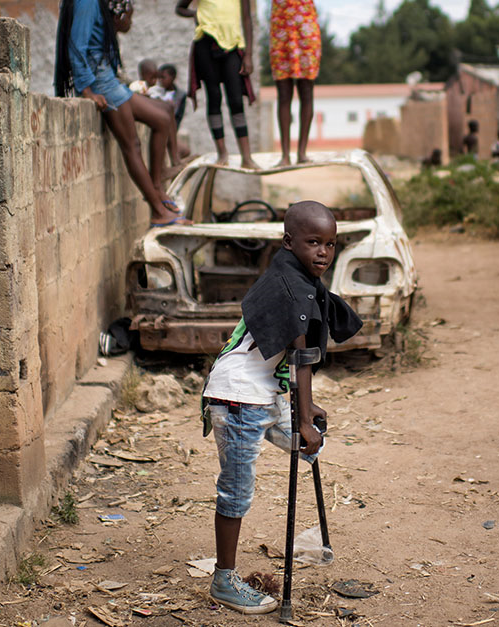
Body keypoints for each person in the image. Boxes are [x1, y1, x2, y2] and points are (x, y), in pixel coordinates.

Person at [201, 201, 362, 613]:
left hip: (261, 395)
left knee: (310, 446)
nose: (323, 253)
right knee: (236, 492)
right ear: (289, 241)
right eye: (313, 243)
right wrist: (304, 416)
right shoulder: (290, 288)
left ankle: (306, 537)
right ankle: (224, 581)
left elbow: (289, 361)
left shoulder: (296, 275)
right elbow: (300, 359)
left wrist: (307, 413)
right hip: (238, 399)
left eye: (330, 244)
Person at [54, 0, 186, 226]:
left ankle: (157, 188)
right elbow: (76, 46)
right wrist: (87, 91)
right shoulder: (87, 1)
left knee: (164, 117)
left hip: (109, 81)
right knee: (132, 146)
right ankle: (157, 211)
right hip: (101, 86)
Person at [177, 0, 260, 169]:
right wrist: (195, 14)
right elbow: (180, 8)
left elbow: (246, 18)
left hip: (232, 45)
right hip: (205, 42)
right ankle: (222, 152)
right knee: (214, 97)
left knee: (236, 100)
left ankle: (247, 157)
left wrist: (248, 54)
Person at [270, 0, 320, 165]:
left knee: (306, 91)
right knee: (284, 93)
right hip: (281, 30)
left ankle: (302, 153)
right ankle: (285, 155)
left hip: (305, 30)